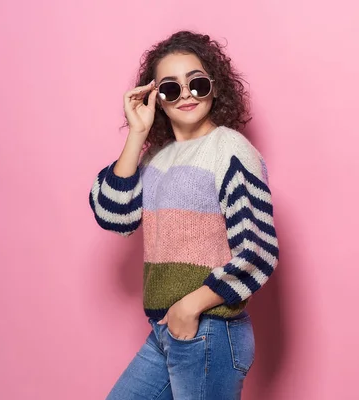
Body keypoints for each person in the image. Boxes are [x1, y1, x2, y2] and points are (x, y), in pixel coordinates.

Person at [88, 30, 279, 400]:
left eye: (197, 83)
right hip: (166, 330)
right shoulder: (157, 157)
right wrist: (136, 133)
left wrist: (190, 306)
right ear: (156, 98)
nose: (186, 95)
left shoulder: (230, 149)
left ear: (215, 86)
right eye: (171, 88)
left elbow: (258, 251)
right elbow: (114, 216)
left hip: (209, 328)